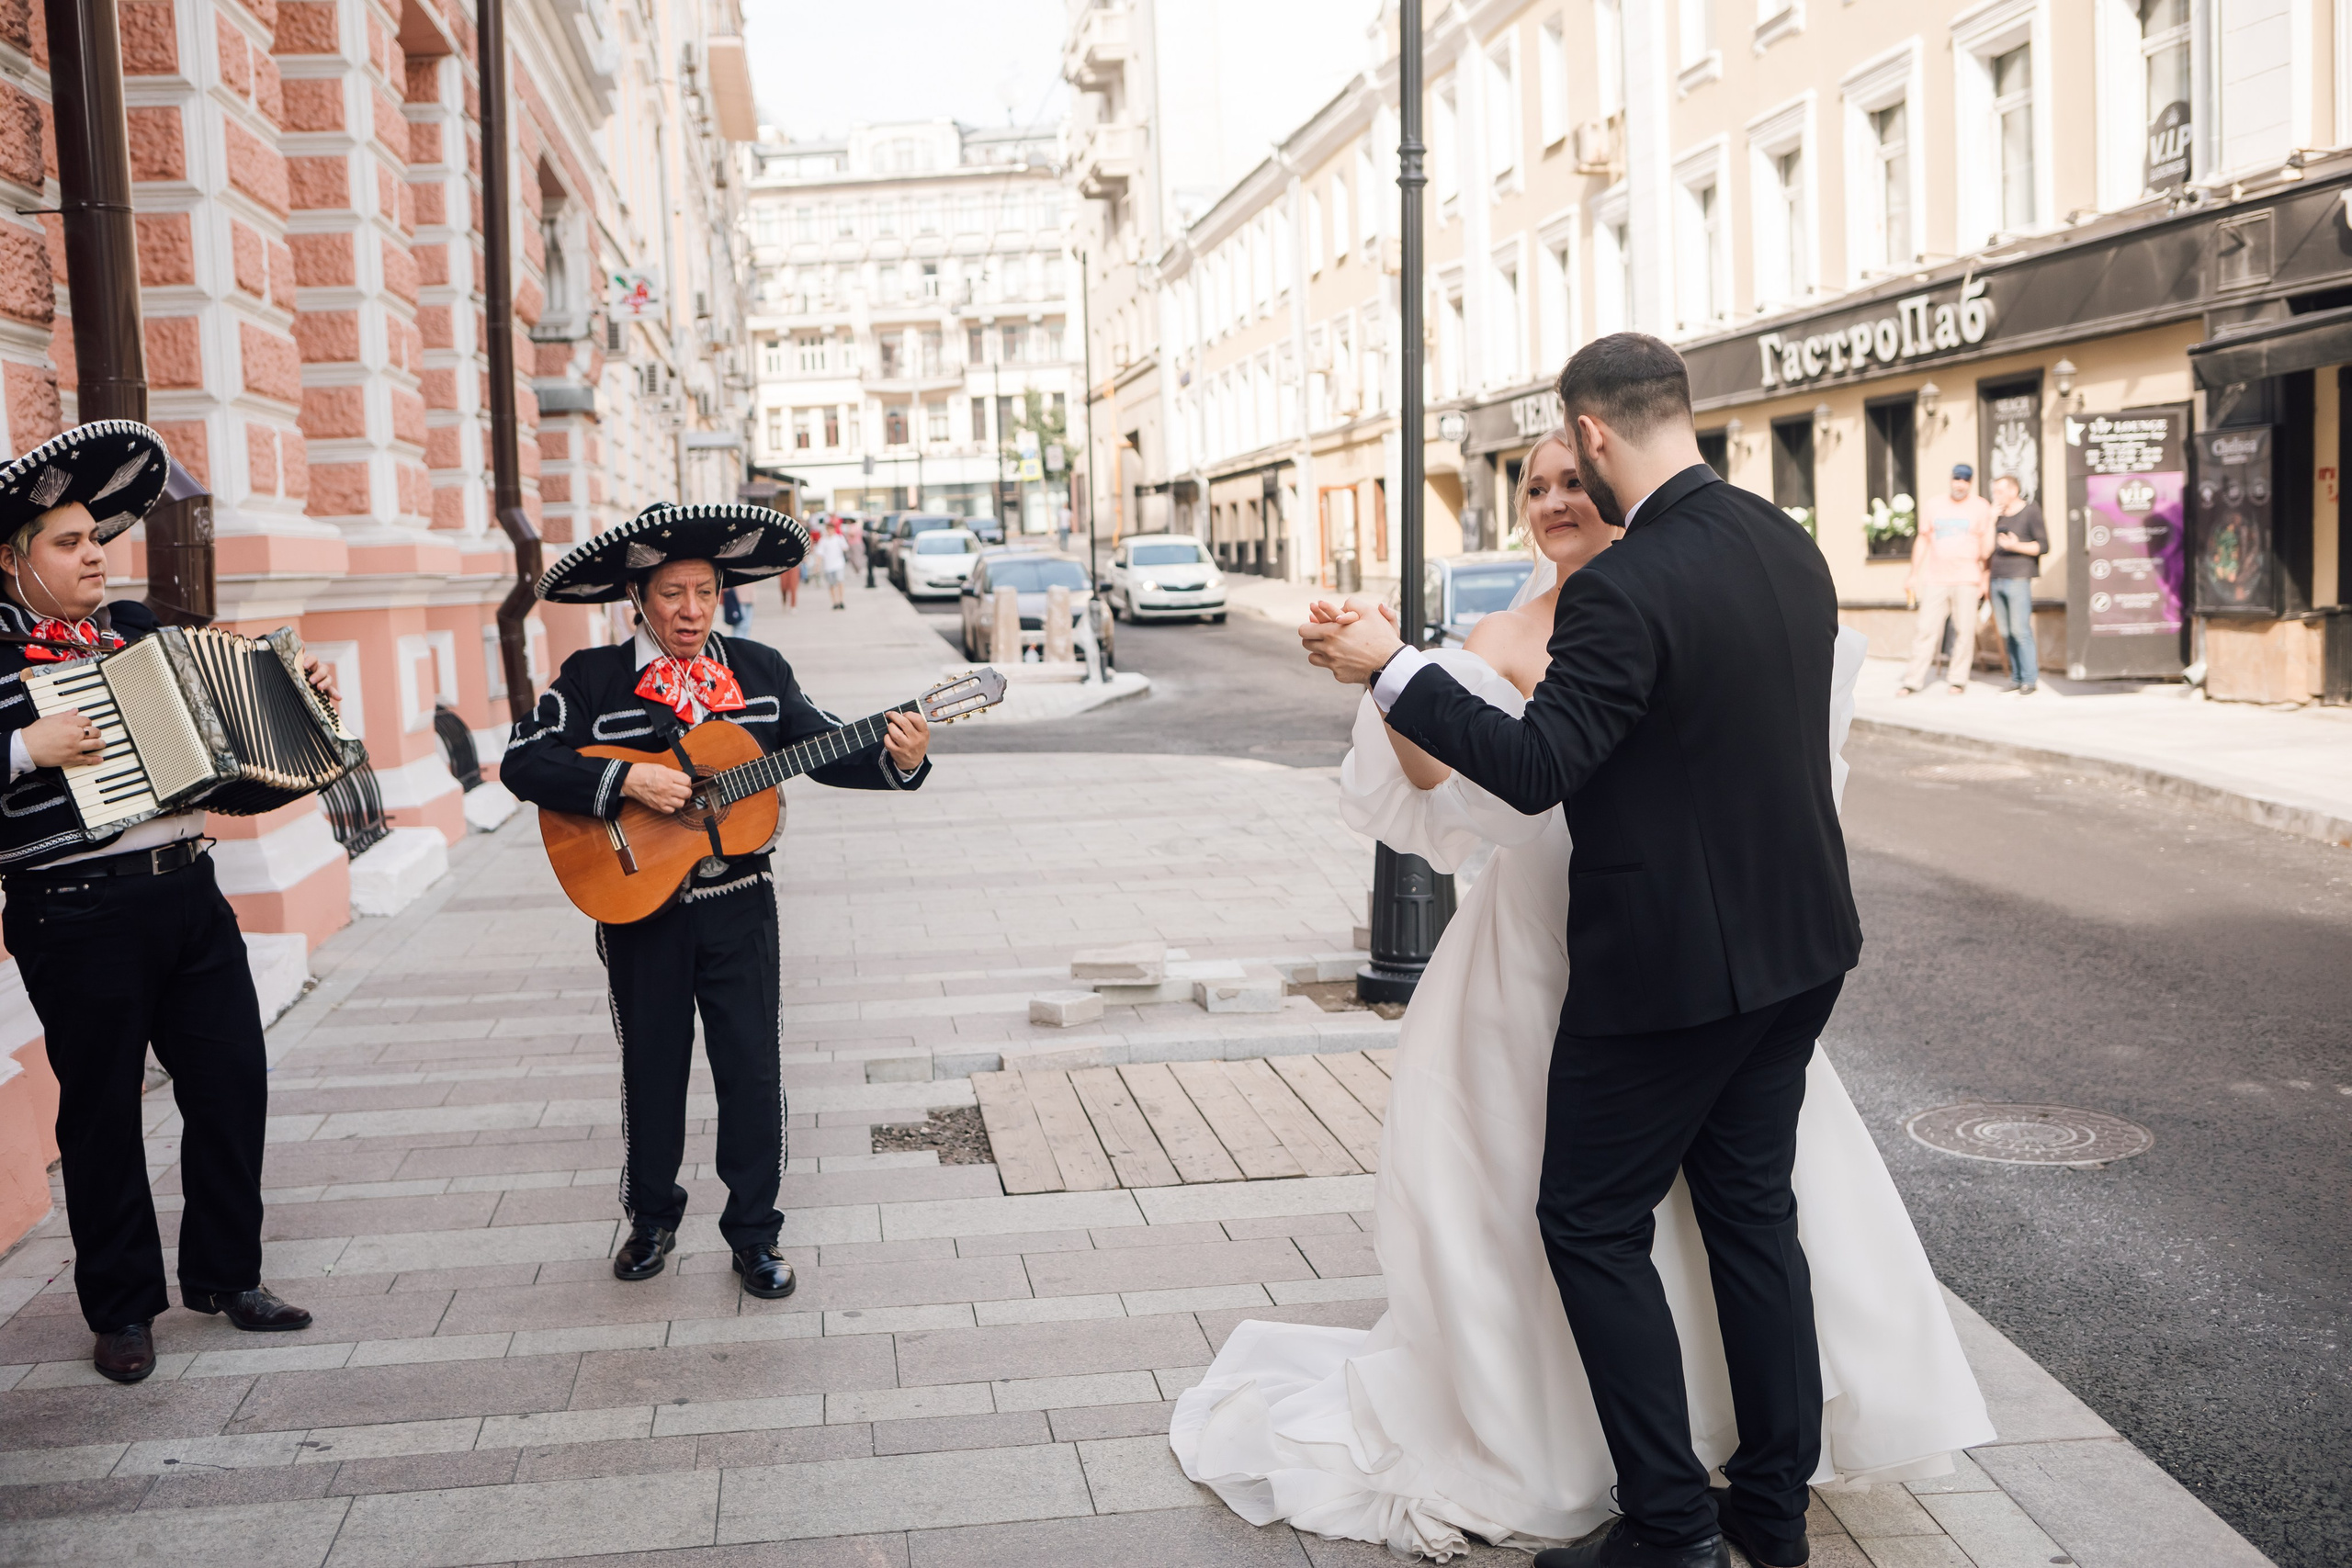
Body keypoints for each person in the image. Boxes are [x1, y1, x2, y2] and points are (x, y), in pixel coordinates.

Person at [1181, 429, 1991, 1563]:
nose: (1555, 499)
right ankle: (1747, 1504)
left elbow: (1544, 767)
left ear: (1612, 475)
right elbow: (1438, 778)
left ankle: (1678, 1518)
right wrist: (1390, 674)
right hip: (1617, 957)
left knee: (1622, 1221)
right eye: (1534, 487)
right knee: (1702, 1220)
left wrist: (1389, 667)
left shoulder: (1633, 599)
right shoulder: (1561, 613)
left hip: (1646, 957)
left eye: (1574, 478)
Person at [503, 502, 930, 1301]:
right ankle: (652, 1218)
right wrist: (626, 778)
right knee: (652, 1068)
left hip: (742, 906)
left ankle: (756, 1235)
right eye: (671, 593)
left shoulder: (761, 670)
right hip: (641, 910)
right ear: (637, 596)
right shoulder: (592, 679)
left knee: (751, 1068)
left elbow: (822, 745)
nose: (690, 610)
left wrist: (896, 757)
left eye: (703, 590)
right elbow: (523, 761)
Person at [0, 421, 327, 1383]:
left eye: (96, 536)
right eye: (67, 542)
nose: (95, 552)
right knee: (101, 1111)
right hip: (75, 909)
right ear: (12, 563)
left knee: (233, 1084)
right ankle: (123, 1307)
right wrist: (26, 748)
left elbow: (235, 738)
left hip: (189, 892)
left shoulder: (140, 630)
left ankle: (229, 1275)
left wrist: (297, 690)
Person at [1899, 464, 1995, 696]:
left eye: (1964, 480)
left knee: (1964, 630)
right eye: (1956, 479)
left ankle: (1958, 679)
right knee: (1925, 629)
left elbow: (1987, 550)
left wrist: (1985, 578)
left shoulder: (1981, 507)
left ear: (1970, 483)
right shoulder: (1934, 505)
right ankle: (1912, 681)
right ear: (1951, 480)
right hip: (1936, 578)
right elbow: (1922, 540)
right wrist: (1913, 574)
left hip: (1967, 578)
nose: (1959, 484)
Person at [1987, 472, 2045, 694]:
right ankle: (2016, 677)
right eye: (1994, 492)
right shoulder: (1995, 515)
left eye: (2000, 491)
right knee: (2005, 632)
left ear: (2014, 490)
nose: (1996, 496)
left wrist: (2015, 546)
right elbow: (1984, 548)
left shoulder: (2030, 510)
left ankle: (2030, 680)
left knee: (2020, 630)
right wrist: (1991, 520)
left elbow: (2043, 546)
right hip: (1996, 578)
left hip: (2018, 578)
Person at [815, 518, 850, 610]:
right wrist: (817, 565)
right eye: (828, 529)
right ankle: (835, 602)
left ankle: (841, 600)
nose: (829, 531)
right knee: (831, 585)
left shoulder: (839, 538)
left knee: (840, 582)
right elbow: (819, 554)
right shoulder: (823, 540)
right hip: (828, 566)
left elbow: (845, 547)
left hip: (839, 564)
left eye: (831, 529)